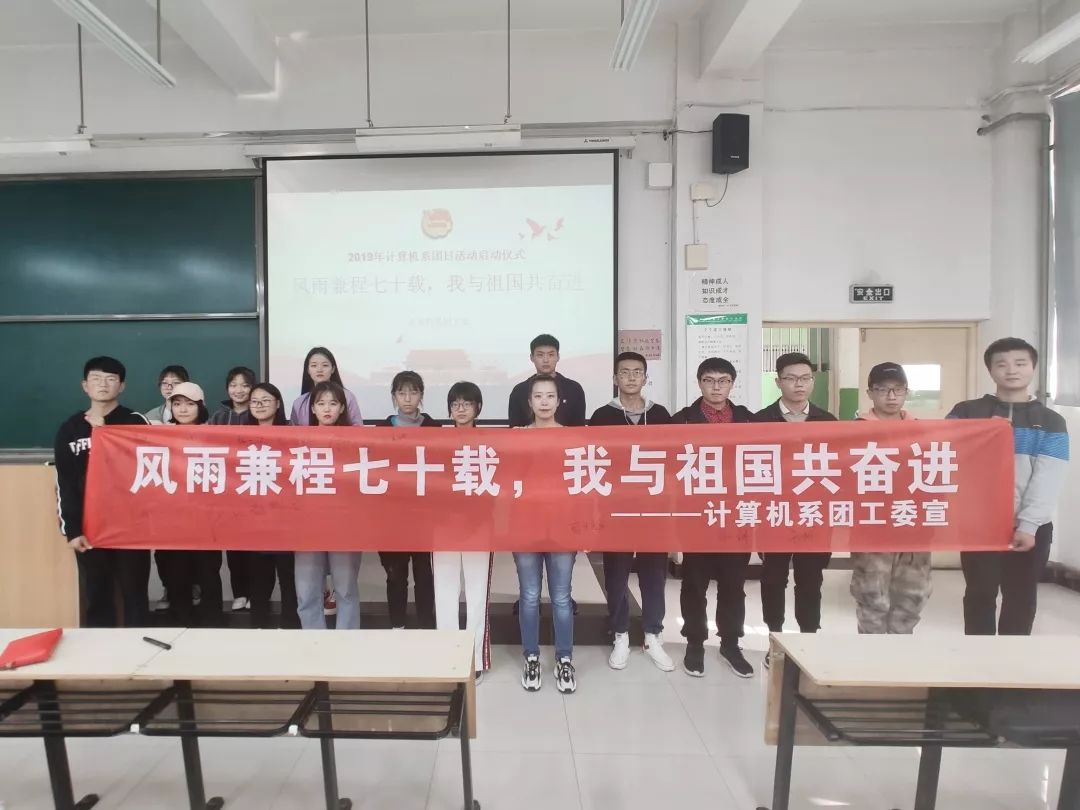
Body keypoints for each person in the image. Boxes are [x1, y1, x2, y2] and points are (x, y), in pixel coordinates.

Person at [948, 338, 1069, 636]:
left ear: (1033, 368)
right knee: (979, 595)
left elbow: (1048, 477)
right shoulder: (967, 411)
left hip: (1032, 528)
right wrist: (983, 433)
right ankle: (978, 661)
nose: (1011, 370)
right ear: (990, 370)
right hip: (979, 524)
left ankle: (1013, 662)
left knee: (1021, 598)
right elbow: (945, 453)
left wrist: (1028, 525)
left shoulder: (1051, 421)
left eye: (1020, 363)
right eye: (1001, 364)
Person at [589, 352, 674, 672]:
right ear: (615, 378)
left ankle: (653, 634)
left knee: (654, 574)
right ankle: (620, 634)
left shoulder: (661, 415)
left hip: (654, 509)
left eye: (637, 372)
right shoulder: (601, 416)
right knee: (616, 574)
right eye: (624, 372)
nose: (631, 377)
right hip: (617, 509)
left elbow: (674, 461)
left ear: (645, 377)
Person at [671, 357, 756, 678]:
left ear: (732, 384)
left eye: (723, 381)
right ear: (699, 383)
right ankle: (695, 642)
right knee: (695, 583)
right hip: (697, 515)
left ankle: (731, 643)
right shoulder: (681, 421)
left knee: (733, 585)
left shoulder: (749, 420)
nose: (716, 387)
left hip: (736, 515)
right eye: (709, 380)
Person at [54, 356, 151, 628]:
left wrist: (104, 432)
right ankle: (99, 654)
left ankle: (139, 653)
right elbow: (65, 482)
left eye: (111, 379)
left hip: (130, 527)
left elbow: (145, 468)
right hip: (90, 528)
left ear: (122, 386)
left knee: (135, 595)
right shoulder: (70, 428)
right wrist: (72, 529)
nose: (103, 384)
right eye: (96, 379)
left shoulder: (135, 421)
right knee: (97, 596)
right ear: (85, 386)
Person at [755, 352, 837, 667]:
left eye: (805, 378)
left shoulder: (828, 422)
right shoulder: (760, 421)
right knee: (773, 580)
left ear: (812, 381)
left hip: (813, 514)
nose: (798, 384)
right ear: (778, 382)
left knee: (810, 580)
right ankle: (775, 639)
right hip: (773, 514)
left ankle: (808, 640)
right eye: (791, 378)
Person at [850, 363, 932, 635]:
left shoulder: (922, 431)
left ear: (907, 391)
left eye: (898, 389)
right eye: (883, 389)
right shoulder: (853, 431)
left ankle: (900, 655)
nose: (891, 396)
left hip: (913, 526)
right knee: (872, 597)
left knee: (912, 597)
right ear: (870, 393)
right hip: (871, 527)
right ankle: (872, 657)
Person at [514, 374, 578, 693]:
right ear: (530, 402)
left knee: (561, 596)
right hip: (525, 527)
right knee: (529, 596)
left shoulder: (572, 438)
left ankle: (564, 659)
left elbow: (580, 487)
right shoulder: (516, 438)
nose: (543, 402)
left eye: (549, 396)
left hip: (561, 527)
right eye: (537, 396)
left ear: (558, 400)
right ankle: (532, 656)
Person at [432, 381, 495, 681]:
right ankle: (448, 655)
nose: (460, 409)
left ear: (478, 408)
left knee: (477, 593)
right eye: (455, 404)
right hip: (442, 527)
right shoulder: (436, 442)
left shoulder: (490, 442)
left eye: (467, 404)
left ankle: (474, 659)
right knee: (444, 593)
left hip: (479, 528)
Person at [294, 380, 363, 630]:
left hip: (344, 524)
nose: (327, 409)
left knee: (345, 590)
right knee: (307, 591)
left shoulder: (356, 443)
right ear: (312, 409)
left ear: (342, 408)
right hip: (307, 524)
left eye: (333, 403)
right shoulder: (298, 441)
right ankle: (315, 643)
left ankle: (347, 642)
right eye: (321, 403)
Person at [160, 382, 225, 628]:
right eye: (177, 404)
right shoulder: (160, 435)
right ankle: (180, 628)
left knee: (208, 576)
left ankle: (212, 627)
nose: (183, 409)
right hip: (172, 522)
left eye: (189, 404)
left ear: (201, 406)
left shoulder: (215, 436)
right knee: (176, 577)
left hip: (206, 522)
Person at [379, 371, 440, 629]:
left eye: (413, 392)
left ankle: (426, 627)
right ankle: (398, 628)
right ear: (394, 396)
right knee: (396, 576)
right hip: (391, 516)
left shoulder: (434, 429)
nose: (407, 398)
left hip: (426, 516)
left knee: (425, 575)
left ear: (421, 396)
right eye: (401, 392)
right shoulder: (381, 430)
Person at [245, 382, 300, 629]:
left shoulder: (292, 434)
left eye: (265, 400)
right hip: (254, 520)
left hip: (286, 520)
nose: (259, 405)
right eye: (255, 401)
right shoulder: (237, 436)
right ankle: (258, 630)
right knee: (259, 581)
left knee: (289, 579)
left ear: (278, 403)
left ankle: (290, 630)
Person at [210, 366, 257, 612]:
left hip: (256, 486)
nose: (239, 390)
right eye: (234, 385)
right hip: (227, 490)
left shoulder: (258, 414)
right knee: (234, 544)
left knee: (255, 544)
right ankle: (239, 592)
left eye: (245, 385)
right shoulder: (218, 416)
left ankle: (255, 593)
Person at [144, 363, 190, 612]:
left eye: (176, 383)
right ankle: (168, 588)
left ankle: (192, 587)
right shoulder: (148, 416)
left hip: (189, 492)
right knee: (163, 549)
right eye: (165, 383)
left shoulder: (199, 414)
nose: (170, 387)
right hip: (161, 492)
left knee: (191, 546)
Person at [507, 334, 587, 428]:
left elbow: (579, 430)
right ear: (532, 357)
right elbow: (514, 431)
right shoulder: (519, 390)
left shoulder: (574, 389)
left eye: (551, 355)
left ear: (558, 356)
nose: (546, 360)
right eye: (540, 355)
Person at [289, 346, 363, 426]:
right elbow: (292, 432)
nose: (319, 370)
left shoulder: (348, 397)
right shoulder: (299, 403)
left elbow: (358, 428)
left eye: (325, 365)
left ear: (333, 369)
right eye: (314, 365)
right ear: (308, 370)